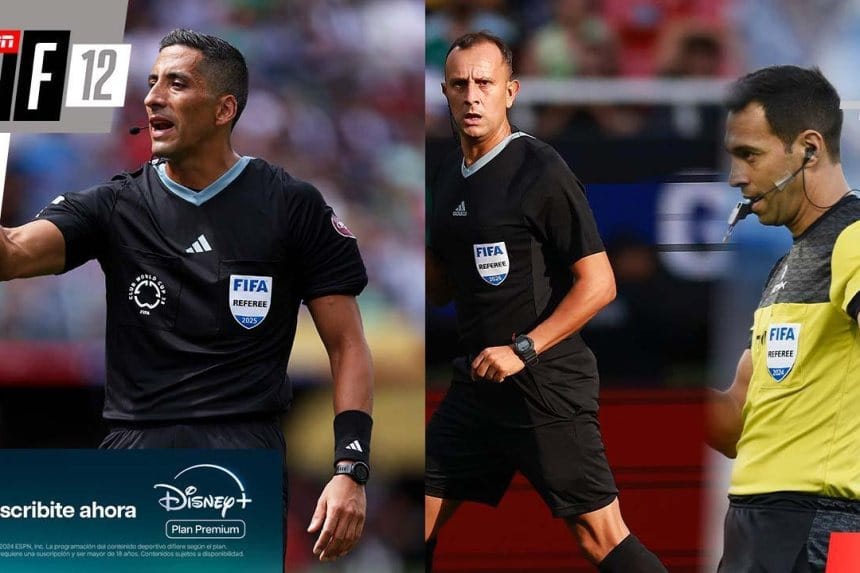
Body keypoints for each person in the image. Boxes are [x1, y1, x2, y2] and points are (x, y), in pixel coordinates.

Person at [0, 29, 373, 563]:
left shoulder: (291, 205)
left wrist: (349, 469)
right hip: (131, 449)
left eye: (176, 84)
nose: (152, 97)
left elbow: (348, 345)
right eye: (152, 83)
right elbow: (9, 255)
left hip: (239, 456)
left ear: (224, 109)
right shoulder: (114, 205)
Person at [424, 31, 667, 572]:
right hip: (478, 384)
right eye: (460, 84)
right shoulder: (445, 172)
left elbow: (600, 283)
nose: (472, 96)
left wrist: (525, 349)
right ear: (444, 91)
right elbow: (441, 287)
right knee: (413, 518)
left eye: (484, 83)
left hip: (543, 380)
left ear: (510, 91)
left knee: (600, 537)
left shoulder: (539, 167)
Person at [707, 65, 860, 571]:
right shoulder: (786, 266)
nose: (736, 176)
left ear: (809, 149)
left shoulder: (854, 239)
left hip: (823, 524)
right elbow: (737, 422)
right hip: (758, 522)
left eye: (749, 154)